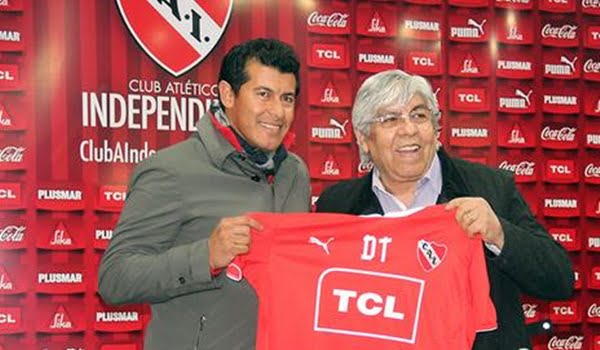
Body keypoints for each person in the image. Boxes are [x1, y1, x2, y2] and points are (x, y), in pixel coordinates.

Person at [316, 69, 574, 350]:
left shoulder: (491, 188)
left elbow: (559, 279)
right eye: (390, 118)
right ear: (364, 138)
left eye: (419, 115)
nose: (409, 129)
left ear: (436, 128)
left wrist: (499, 233)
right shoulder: (337, 206)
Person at [98, 38, 310, 350]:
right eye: (263, 94)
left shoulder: (295, 173)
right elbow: (115, 280)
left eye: (287, 98)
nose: (277, 111)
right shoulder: (169, 171)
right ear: (227, 94)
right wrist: (205, 257)